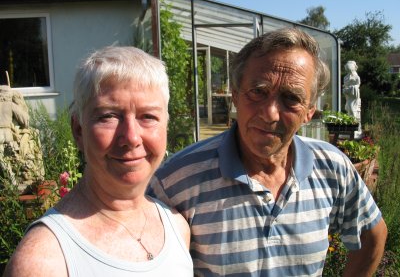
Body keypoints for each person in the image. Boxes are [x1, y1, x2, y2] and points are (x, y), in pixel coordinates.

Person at [148, 28, 387, 276]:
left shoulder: (332, 167)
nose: (270, 113)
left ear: (309, 112)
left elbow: (374, 235)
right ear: (235, 96)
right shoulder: (176, 180)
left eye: (291, 98)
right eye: (258, 92)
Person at [4, 46, 193, 276]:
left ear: (166, 127)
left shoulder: (176, 228)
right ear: (78, 130)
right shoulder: (43, 261)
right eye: (108, 116)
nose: (131, 137)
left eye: (148, 117)